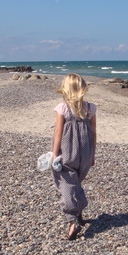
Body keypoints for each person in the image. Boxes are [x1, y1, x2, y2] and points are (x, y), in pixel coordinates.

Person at [52, 73, 97, 240]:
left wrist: (55, 154)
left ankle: (72, 219)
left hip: (68, 151)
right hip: (85, 152)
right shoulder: (90, 108)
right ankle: (80, 212)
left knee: (66, 184)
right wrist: (93, 154)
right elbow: (93, 132)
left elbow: (58, 132)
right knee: (76, 181)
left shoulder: (62, 108)